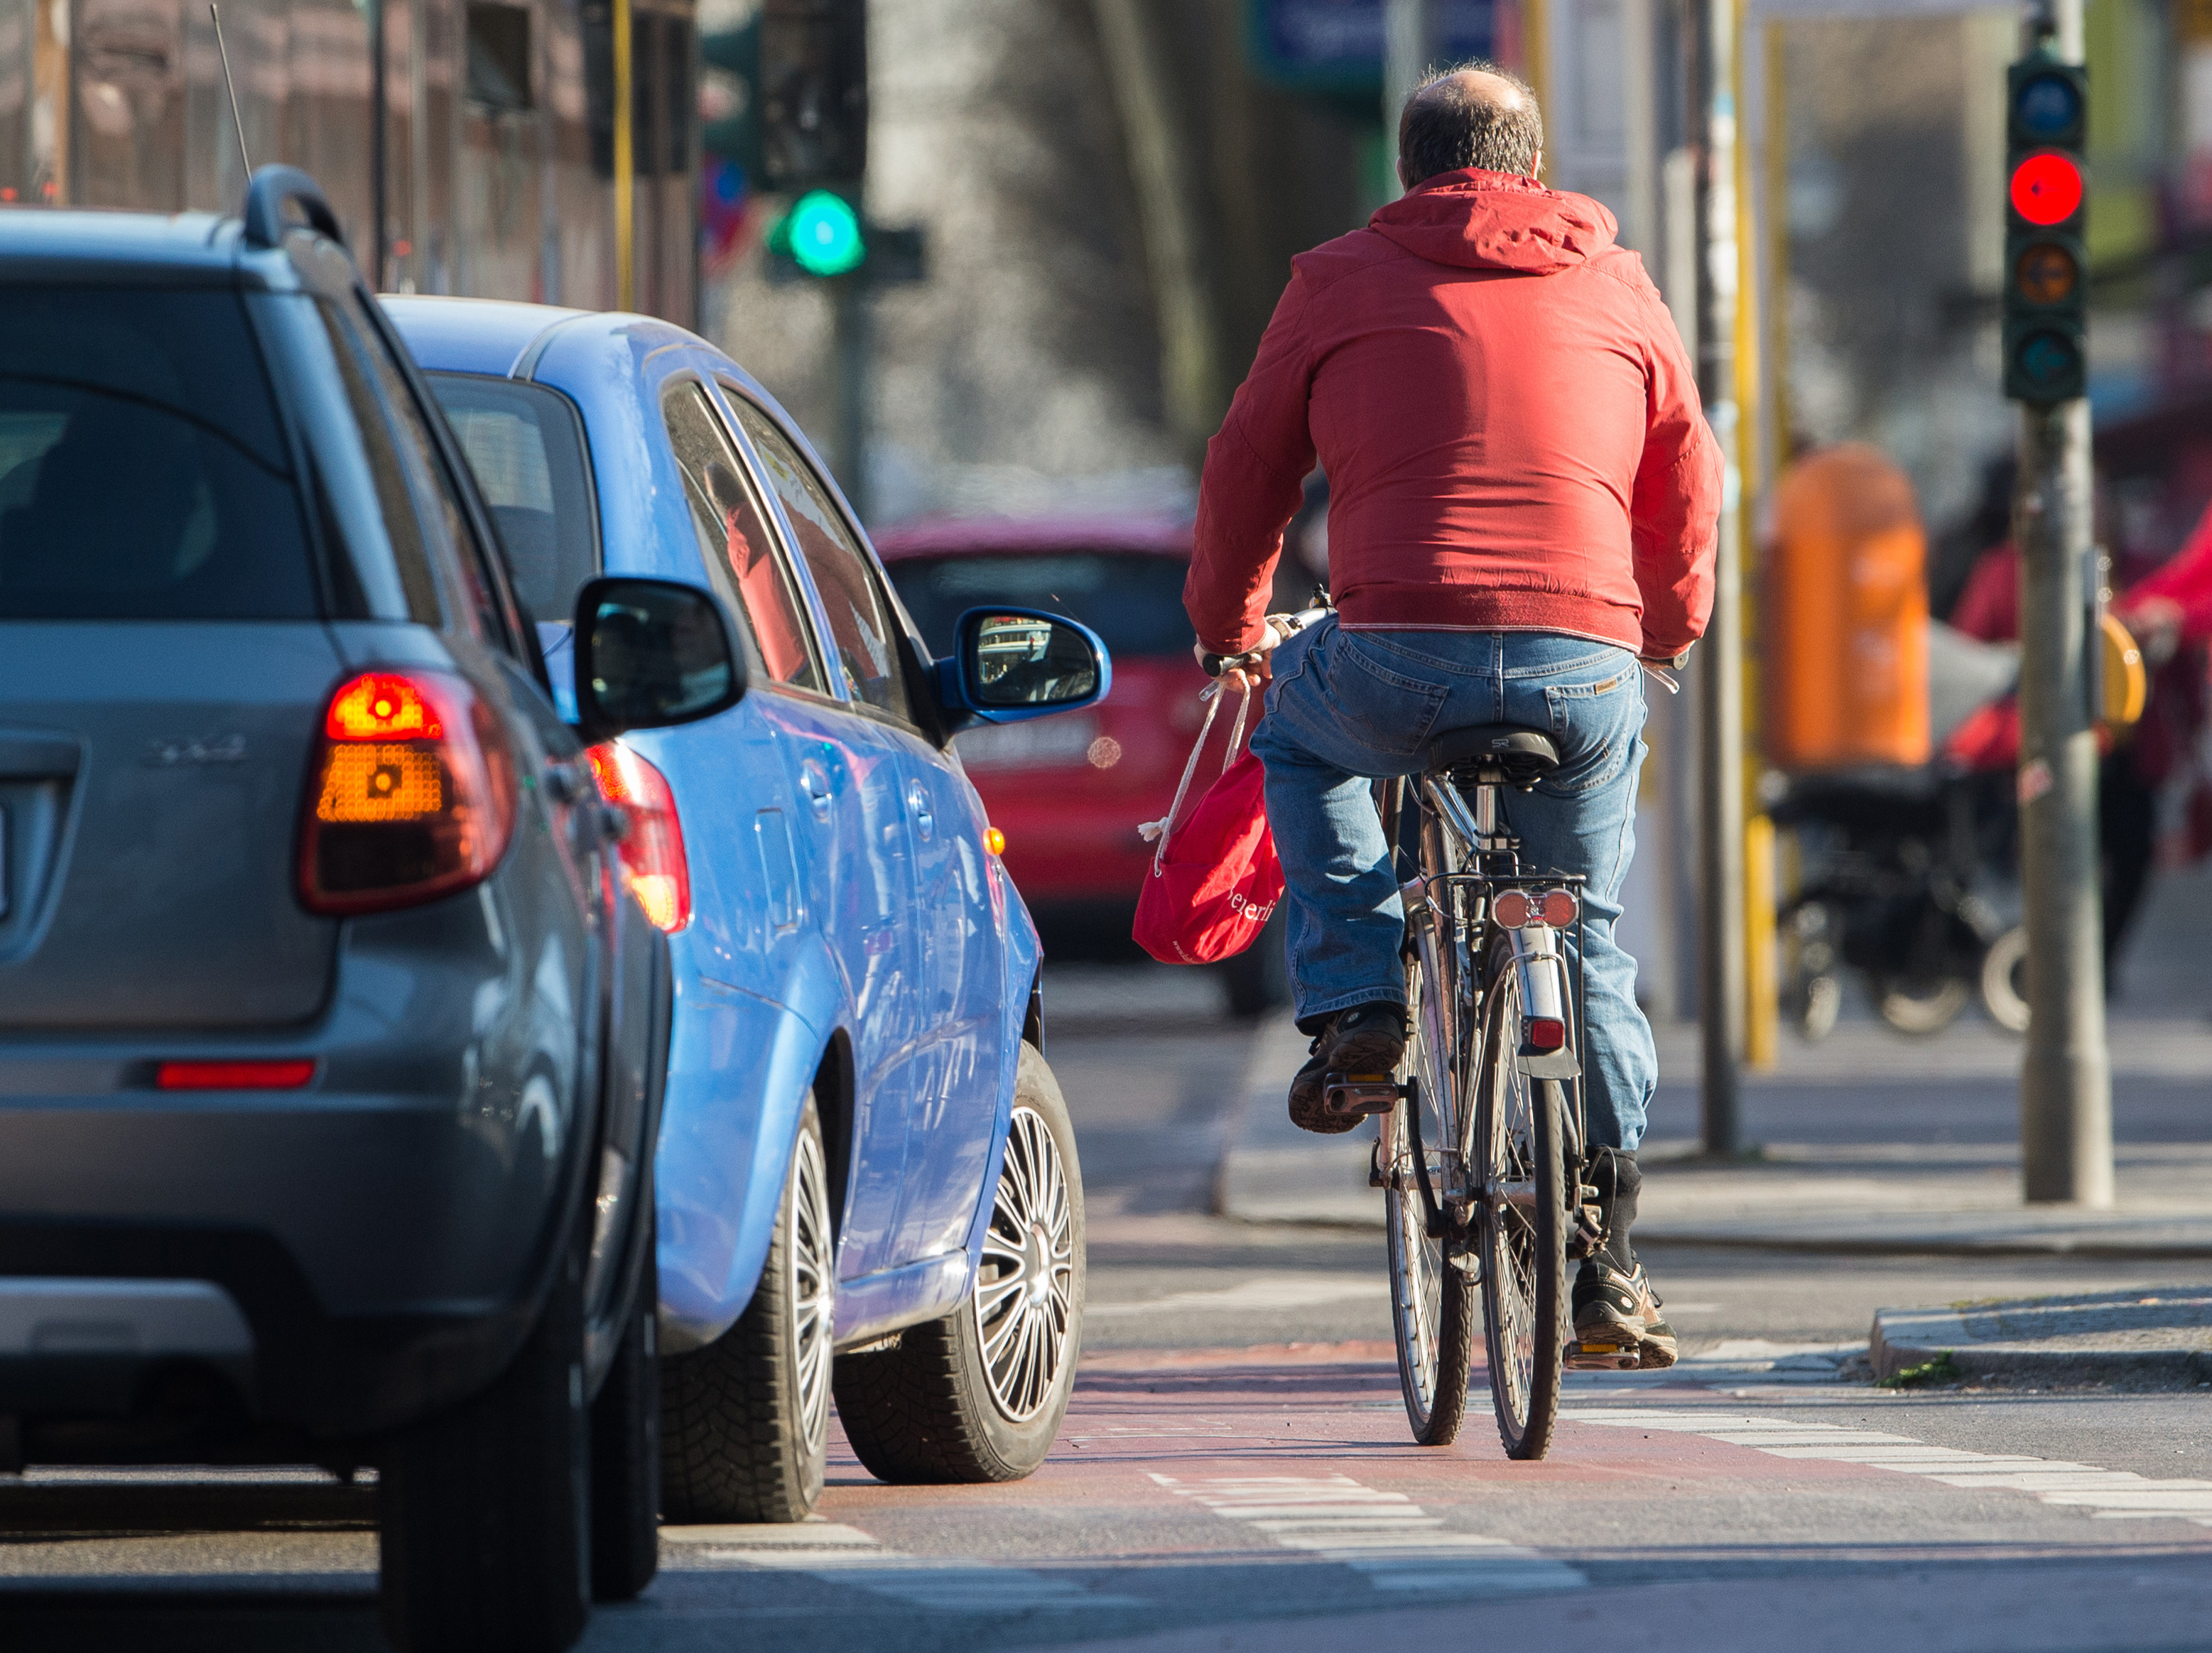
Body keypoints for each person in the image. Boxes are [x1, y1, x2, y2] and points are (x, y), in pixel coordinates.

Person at [1183, 65, 1722, 1370]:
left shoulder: (1336, 279)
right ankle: (1602, 1255)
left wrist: (1231, 629)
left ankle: (1361, 1005)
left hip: (1389, 656)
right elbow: (1687, 470)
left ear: (1409, 164)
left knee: (1299, 739)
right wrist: (1663, 624)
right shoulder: (1619, 281)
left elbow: (1250, 460)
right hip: (1582, 665)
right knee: (1581, 936)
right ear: (1530, 164)